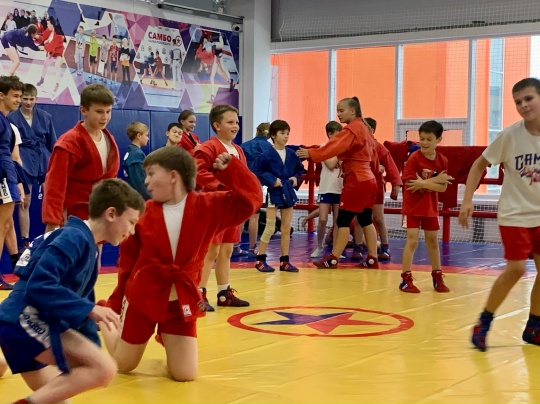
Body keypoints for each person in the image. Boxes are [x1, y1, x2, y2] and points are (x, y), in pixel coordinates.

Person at [101, 147, 261, 381]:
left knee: (185, 374)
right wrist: (115, 305)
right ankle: (106, 319)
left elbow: (252, 201)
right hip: (143, 298)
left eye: (151, 173)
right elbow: (127, 264)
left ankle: (168, 335)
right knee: (123, 365)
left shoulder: (208, 206)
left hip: (180, 302)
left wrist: (232, 170)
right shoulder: (143, 214)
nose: (146, 181)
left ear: (173, 176)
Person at [0, 178, 145, 404]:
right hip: (22, 320)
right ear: (111, 214)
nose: (132, 231)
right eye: (131, 222)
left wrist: (90, 338)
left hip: (22, 322)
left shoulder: (85, 243)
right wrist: (90, 310)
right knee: (104, 368)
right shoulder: (74, 237)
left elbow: (78, 305)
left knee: (60, 400)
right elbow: (39, 285)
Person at [459, 77, 540, 351]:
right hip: (515, 214)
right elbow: (478, 165)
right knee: (516, 268)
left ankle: (534, 326)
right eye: (518, 102)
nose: (523, 105)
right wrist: (467, 200)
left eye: (528, 99)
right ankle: (484, 321)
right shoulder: (509, 136)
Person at [296, 97, 379, 269]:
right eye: (337, 111)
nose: (338, 114)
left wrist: (312, 153)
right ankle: (372, 257)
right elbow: (375, 154)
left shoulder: (353, 128)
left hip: (356, 179)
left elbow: (335, 145)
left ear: (353, 111)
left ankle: (333, 258)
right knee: (365, 219)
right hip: (369, 179)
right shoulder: (364, 127)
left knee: (342, 220)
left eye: (341, 111)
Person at [42, 84, 119, 233]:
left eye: (108, 111)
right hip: (74, 211)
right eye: (99, 112)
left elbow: (111, 178)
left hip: (99, 209)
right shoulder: (70, 142)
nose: (105, 117)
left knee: (96, 248)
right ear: (83, 110)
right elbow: (55, 183)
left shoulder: (109, 139)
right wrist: (52, 220)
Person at [194, 105, 250, 310]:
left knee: (227, 249)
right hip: (215, 206)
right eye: (230, 122)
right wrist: (220, 186)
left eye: (237, 122)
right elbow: (197, 172)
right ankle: (198, 293)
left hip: (232, 207)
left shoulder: (238, 150)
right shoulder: (208, 147)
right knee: (211, 250)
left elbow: (243, 176)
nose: (235, 126)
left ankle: (224, 293)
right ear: (217, 125)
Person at [399, 120, 452, 293]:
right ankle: (405, 279)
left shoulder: (442, 160)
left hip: (430, 207)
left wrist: (424, 183)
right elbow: (411, 184)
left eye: (429, 139)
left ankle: (437, 276)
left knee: (433, 242)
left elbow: (443, 188)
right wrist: (435, 180)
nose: (424, 142)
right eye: (422, 138)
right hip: (412, 206)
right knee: (412, 240)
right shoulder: (414, 158)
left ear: (439, 140)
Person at [8, 83, 57, 249]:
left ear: (36, 99)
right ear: (21, 99)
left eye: (31, 99)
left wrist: (55, 163)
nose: (28, 102)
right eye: (25, 98)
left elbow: (53, 142)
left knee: (52, 199)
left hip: (43, 158)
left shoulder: (45, 116)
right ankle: (25, 241)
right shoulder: (12, 117)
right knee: (25, 201)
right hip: (23, 158)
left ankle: (52, 236)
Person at [253, 120, 305, 272]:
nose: (286, 136)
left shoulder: (291, 154)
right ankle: (260, 259)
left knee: (286, 228)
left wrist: (296, 178)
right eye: (282, 133)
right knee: (270, 227)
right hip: (274, 192)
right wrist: (271, 180)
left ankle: (284, 261)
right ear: (273, 135)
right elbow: (256, 170)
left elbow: (300, 170)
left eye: (288, 133)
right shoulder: (266, 154)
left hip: (288, 191)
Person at [364, 117, 402, 261]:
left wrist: (396, 184)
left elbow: (390, 166)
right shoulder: (357, 146)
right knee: (361, 218)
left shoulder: (379, 147)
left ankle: (385, 247)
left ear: (372, 130)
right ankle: (358, 246)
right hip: (361, 186)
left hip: (376, 187)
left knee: (378, 218)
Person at [0, 75, 24, 290]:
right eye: (15, 96)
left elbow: (13, 156)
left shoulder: (6, 121)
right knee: (2, 226)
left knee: (6, 225)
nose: (19, 100)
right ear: (2, 95)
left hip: (7, 174)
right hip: (2, 176)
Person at [310, 121, 343, 258]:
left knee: (337, 221)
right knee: (323, 219)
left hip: (339, 187)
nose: (340, 138)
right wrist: (339, 154)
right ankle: (319, 246)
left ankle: (335, 249)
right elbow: (330, 165)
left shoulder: (342, 148)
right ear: (330, 134)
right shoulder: (324, 147)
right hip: (326, 187)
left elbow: (343, 164)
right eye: (337, 135)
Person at [241, 122, 272, 255]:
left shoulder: (244, 145)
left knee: (241, 216)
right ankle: (252, 247)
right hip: (256, 184)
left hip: (242, 182)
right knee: (254, 216)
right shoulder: (269, 147)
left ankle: (235, 245)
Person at [36, 17, 65, 93]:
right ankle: (42, 79)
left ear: (52, 24)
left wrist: (44, 47)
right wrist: (36, 37)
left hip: (58, 53)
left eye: (48, 24)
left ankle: (57, 84)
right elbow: (43, 37)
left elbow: (53, 45)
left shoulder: (58, 34)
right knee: (45, 64)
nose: (47, 25)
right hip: (52, 52)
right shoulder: (49, 30)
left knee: (57, 66)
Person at [123, 121, 150, 200]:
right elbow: (139, 182)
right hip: (137, 198)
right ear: (139, 136)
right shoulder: (136, 154)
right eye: (146, 135)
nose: (148, 138)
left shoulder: (133, 152)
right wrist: (149, 199)